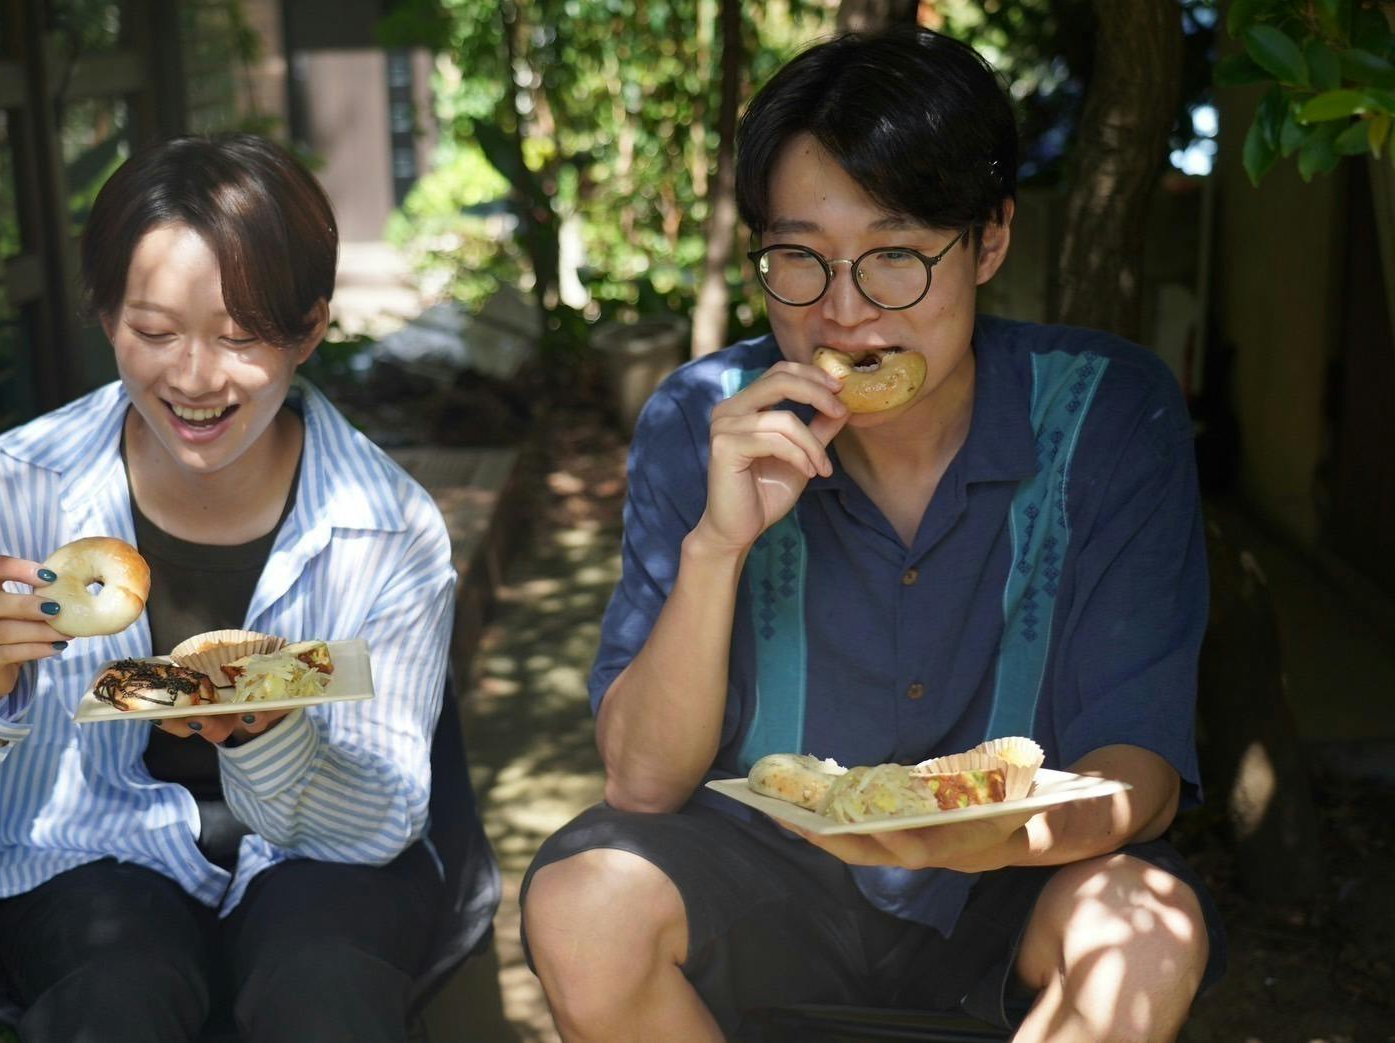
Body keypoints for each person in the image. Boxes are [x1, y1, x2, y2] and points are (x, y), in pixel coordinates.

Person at [521, 26, 1225, 1043]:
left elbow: (1139, 775)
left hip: (1014, 880)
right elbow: (639, 780)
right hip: (766, 879)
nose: (845, 312)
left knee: (1145, 931)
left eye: (895, 255)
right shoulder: (702, 418)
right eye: (799, 257)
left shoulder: (1110, 412)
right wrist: (717, 546)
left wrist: (989, 835)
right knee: (584, 904)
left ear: (989, 241)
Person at [0, 134, 456, 1041]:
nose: (194, 379)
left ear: (311, 328)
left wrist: (270, 732)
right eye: (155, 332)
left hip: (319, 859)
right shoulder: (13, 489)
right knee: (116, 991)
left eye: (240, 336)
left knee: (322, 991)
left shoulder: (386, 525)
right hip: (84, 858)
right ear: (104, 313)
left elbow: (383, 814)